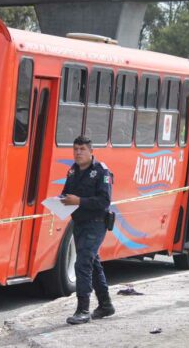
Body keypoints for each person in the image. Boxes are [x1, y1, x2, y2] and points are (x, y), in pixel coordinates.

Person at [60, 135, 115, 324]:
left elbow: (104, 201)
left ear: (91, 152)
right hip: (79, 223)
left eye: (82, 149)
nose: (78, 153)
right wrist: (60, 202)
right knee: (92, 262)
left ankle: (82, 310)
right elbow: (66, 194)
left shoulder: (102, 172)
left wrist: (79, 201)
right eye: (75, 149)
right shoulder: (73, 171)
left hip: (96, 222)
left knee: (82, 263)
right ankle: (106, 305)